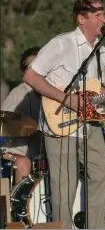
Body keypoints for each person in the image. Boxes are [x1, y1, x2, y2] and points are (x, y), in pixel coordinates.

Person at [23, 0, 105, 229]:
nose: (104, 19)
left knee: (102, 175)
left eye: (104, 13)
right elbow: (31, 76)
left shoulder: (101, 52)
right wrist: (66, 99)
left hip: (89, 124)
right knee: (65, 186)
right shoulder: (62, 43)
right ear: (81, 18)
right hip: (59, 123)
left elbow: (97, 93)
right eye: (98, 14)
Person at [1, 46, 41, 185]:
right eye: (31, 66)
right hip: (14, 152)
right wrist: (30, 128)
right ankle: (21, 205)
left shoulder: (50, 93)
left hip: (40, 152)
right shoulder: (19, 93)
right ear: (24, 70)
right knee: (23, 162)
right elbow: (4, 123)